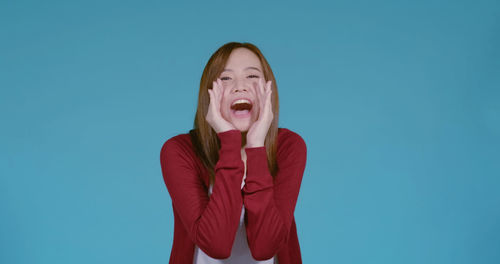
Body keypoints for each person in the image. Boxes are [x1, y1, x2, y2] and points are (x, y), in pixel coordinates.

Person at [160, 42, 307, 264]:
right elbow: (216, 245)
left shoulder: (288, 147)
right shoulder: (179, 151)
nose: (240, 86)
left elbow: (264, 247)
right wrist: (229, 142)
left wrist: (255, 146)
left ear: (269, 90)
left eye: (252, 76)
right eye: (226, 78)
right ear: (209, 93)